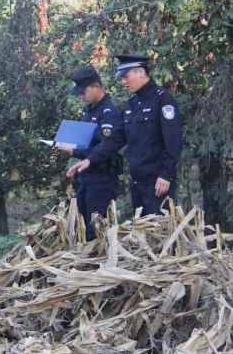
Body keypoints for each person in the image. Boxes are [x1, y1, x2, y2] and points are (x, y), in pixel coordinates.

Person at [59, 65, 124, 240]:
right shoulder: (88, 111)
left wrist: (84, 156)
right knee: (81, 229)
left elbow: (109, 144)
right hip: (86, 178)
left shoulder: (108, 112)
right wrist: (72, 150)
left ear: (96, 86)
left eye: (83, 91)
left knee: (96, 231)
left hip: (102, 179)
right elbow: (85, 146)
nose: (81, 96)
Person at [114, 54, 183, 215]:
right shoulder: (131, 105)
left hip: (158, 183)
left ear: (140, 72)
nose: (123, 82)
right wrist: (87, 155)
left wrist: (166, 175)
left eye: (126, 76)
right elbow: (118, 139)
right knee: (140, 236)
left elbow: (173, 141)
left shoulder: (163, 99)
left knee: (160, 233)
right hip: (137, 182)